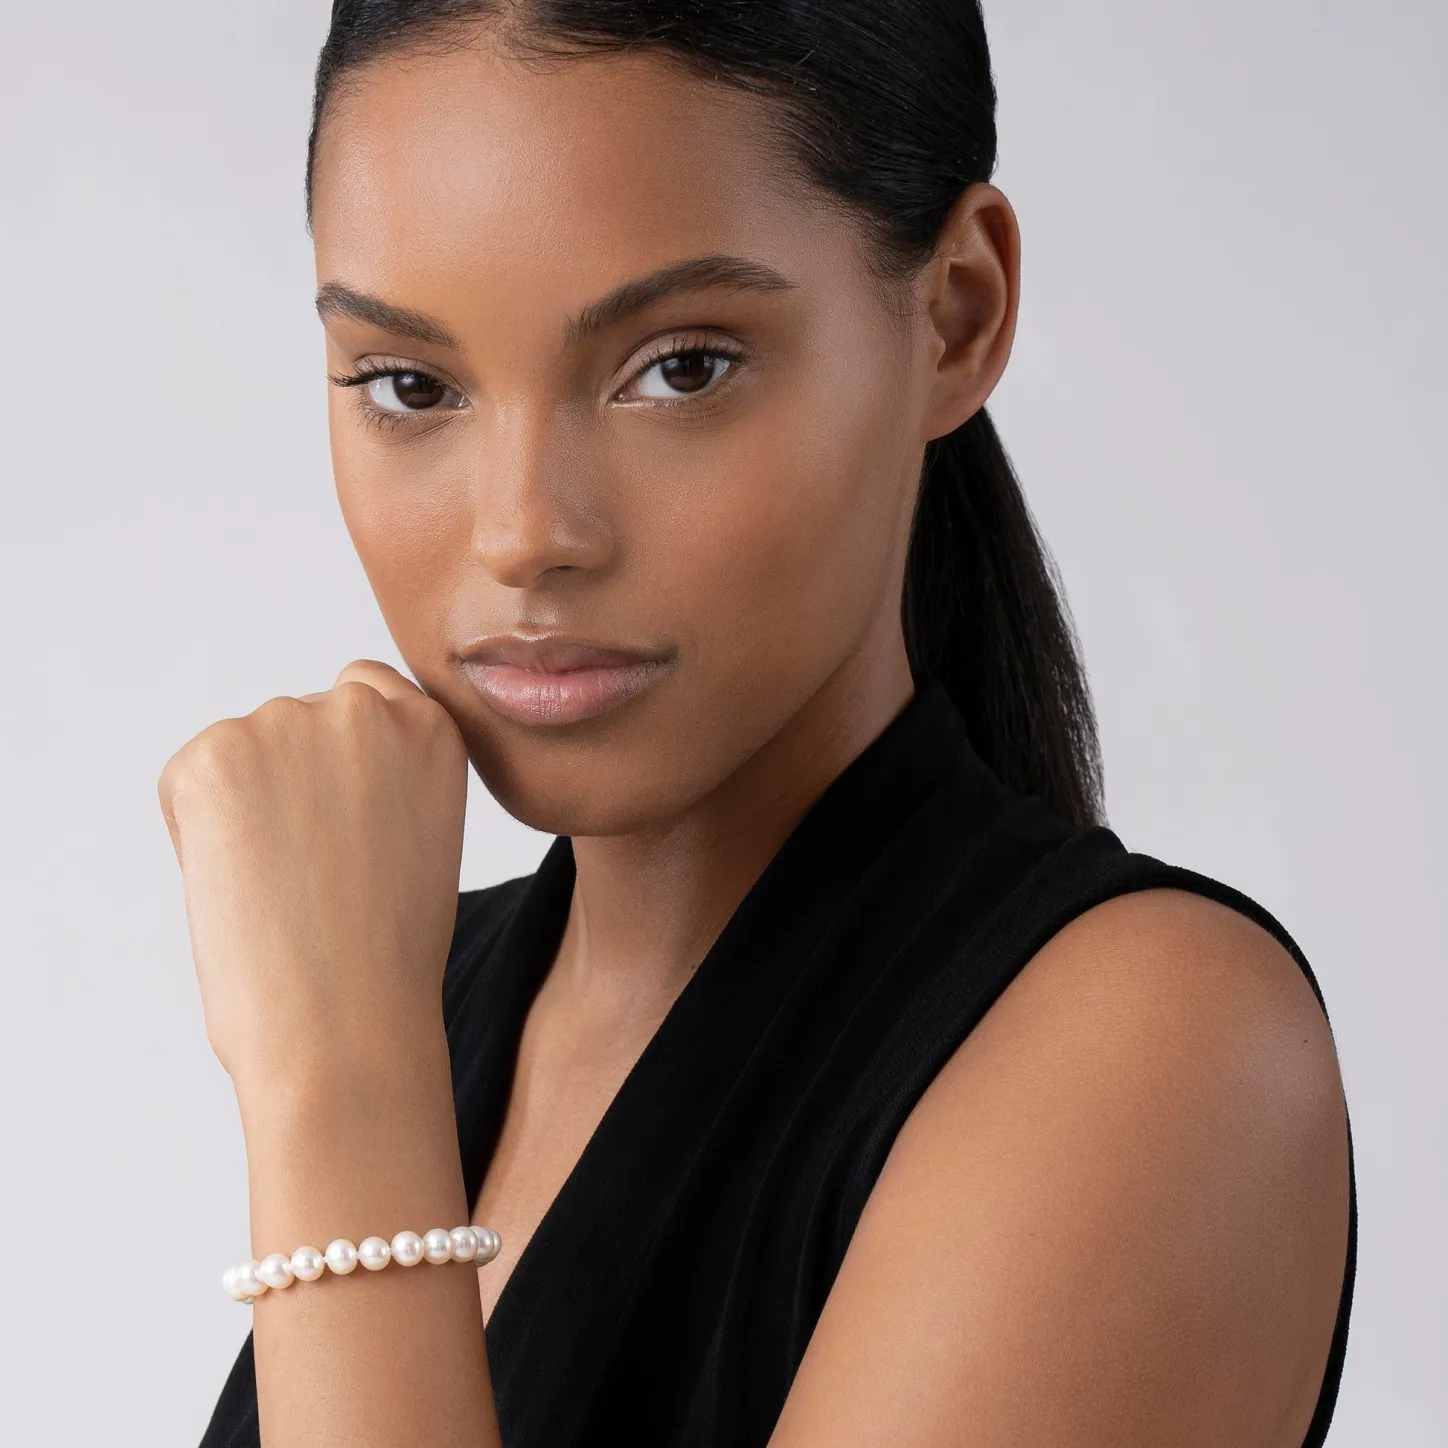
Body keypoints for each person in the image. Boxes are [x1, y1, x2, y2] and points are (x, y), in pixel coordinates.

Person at [166, 3, 1355, 1445]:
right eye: (409, 387)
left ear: (956, 314)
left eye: (682, 366)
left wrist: (338, 1098)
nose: (524, 532)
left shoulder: (1159, 1059)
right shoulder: (419, 983)